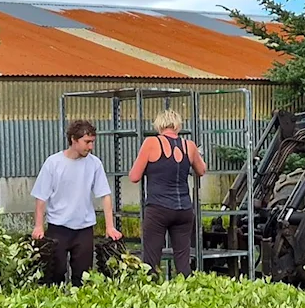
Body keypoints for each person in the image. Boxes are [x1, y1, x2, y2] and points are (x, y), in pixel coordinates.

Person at [31, 119, 121, 286]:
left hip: (84, 229)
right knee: (55, 275)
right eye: (87, 142)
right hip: (58, 227)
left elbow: (105, 195)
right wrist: (38, 226)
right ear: (73, 139)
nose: (90, 147)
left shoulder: (94, 164)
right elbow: (41, 197)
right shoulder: (53, 163)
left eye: (92, 142)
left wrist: (110, 226)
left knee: (83, 277)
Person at [129, 109, 206, 278]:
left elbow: (134, 176)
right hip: (184, 209)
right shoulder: (189, 146)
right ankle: (187, 294)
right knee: (183, 260)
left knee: (151, 260)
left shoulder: (151, 143)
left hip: (158, 208)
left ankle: (151, 294)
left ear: (158, 126)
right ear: (178, 126)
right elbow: (201, 170)